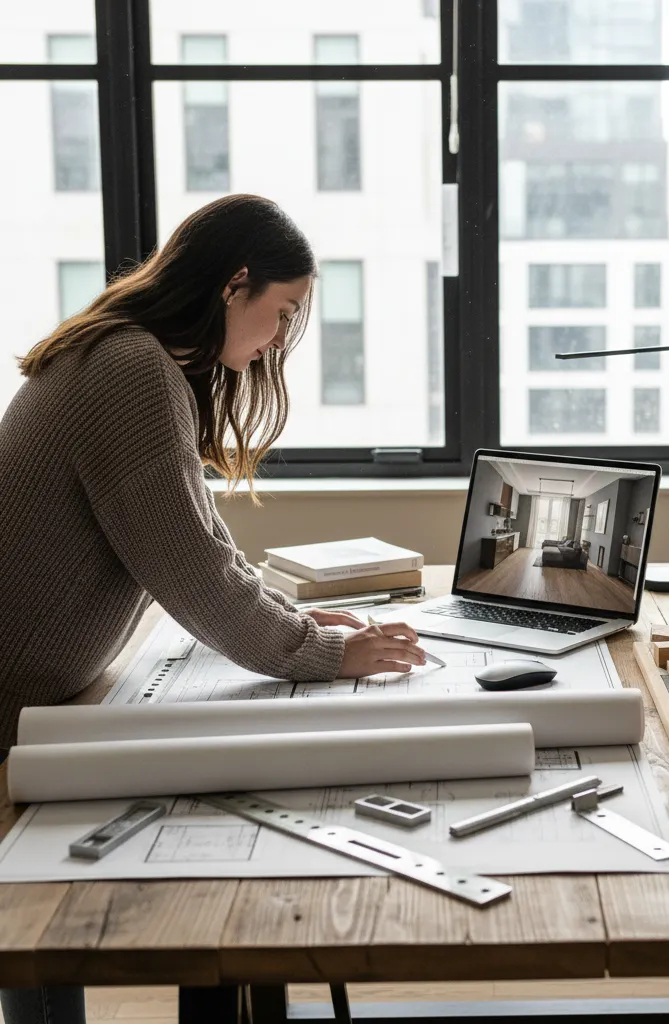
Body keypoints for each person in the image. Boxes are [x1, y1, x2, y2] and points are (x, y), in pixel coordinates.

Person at [0, 194, 426, 1024]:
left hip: (37, 700)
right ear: (235, 284)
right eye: (283, 311)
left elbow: (197, 540)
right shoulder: (130, 369)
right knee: (47, 919)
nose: (281, 337)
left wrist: (297, 622)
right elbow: (193, 569)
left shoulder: (127, 354)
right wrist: (323, 653)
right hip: (7, 710)